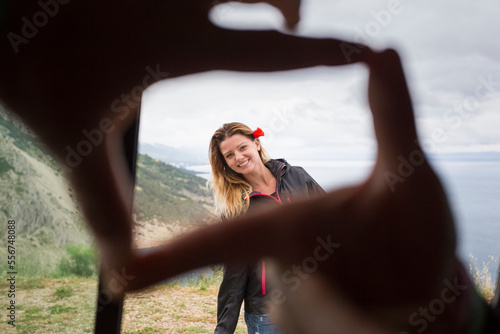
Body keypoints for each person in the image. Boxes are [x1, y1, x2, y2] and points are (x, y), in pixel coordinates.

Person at [208, 122, 325, 334]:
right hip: (268, 313)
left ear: (256, 143)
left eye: (242, 147)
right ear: (225, 162)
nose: (239, 157)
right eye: (230, 155)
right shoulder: (237, 208)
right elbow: (234, 274)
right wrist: (223, 330)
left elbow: (332, 222)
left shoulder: (297, 176)